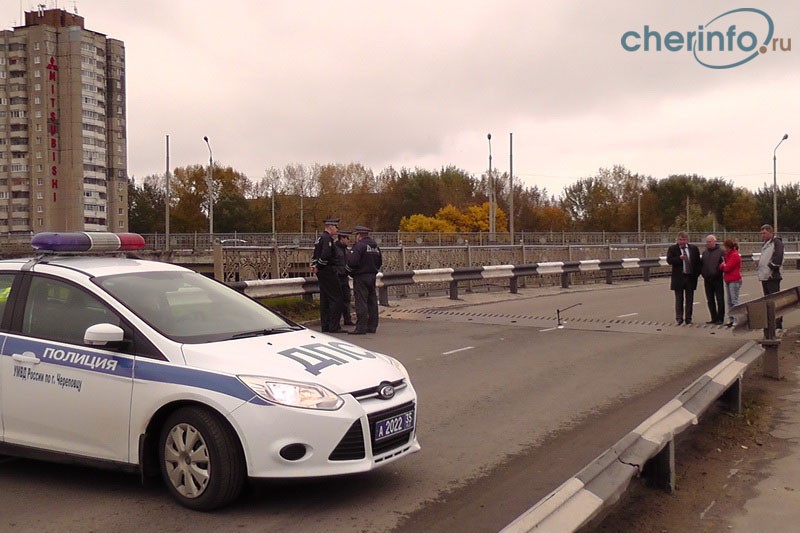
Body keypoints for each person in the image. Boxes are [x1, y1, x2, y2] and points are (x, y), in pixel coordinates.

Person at [346, 225, 382, 335]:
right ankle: (372, 326)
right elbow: (379, 262)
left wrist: (349, 272)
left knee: (361, 302)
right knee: (372, 302)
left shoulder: (359, 246)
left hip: (361, 277)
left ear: (359, 235)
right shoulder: (375, 246)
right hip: (372, 276)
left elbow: (352, 262)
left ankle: (361, 327)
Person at [311, 217, 343, 333]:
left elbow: (315, 255)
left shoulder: (320, 238)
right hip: (328, 270)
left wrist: (315, 266)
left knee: (325, 299)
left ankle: (325, 325)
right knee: (337, 298)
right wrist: (319, 266)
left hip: (322, 272)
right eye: (336, 227)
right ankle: (334, 326)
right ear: (330, 226)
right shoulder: (327, 239)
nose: (337, 229)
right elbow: (325, 255)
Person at [666, 231, 701, 325]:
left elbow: (698, 263)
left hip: (690, 277)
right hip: (679, 277)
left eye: (684, 240)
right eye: (680, 240)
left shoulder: (693, 249)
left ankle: (688, 318)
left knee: (689, 299)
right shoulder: (673, 249)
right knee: (679, 299)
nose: (682, 242)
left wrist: (696, 274)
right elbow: (669, 260)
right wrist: (679, 258)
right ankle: (679, 318)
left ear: (687, 240)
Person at [758, 223, 784, 329]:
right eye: (761, 233)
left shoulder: (776, 242)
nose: (763, 235)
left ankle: (777, 324)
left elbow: (778, 255)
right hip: (764, 277)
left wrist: (772, 266)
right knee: (768, 302)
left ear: (770, 232)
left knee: (774, 301)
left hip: (772, 277)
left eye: (764, 233)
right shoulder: (765, 244)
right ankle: (771, 323)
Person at [700, 234, 725, 325]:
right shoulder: (705, 253)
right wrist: (703, 273)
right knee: (710, 299)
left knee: (719, 299)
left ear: (715, 241)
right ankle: (713, 317)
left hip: (717, 279)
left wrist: (718, 272)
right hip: (707, 279)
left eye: (710, 241)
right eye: (707, 242)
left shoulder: (721, 252)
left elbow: (723, 264)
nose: (708, 243)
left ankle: (720, 318)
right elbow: (702, 264)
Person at [334, 230, 355, 327]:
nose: (348, 240)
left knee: (346, 298)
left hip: (344, 277)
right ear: (341, 238)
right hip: (337, 277)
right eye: (347, 238)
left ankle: (347, 319)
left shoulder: (346, 250)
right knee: (337, 300)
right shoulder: (335, 249)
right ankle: (336, 321)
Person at [720, 239, 742, 328]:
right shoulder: (728, 255)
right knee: (729, 301)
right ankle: (731, 318)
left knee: (734, 300)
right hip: (728, 279)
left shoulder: (734, 255)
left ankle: (737, 319)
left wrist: (723, 266)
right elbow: (724, 265)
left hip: (734, 279)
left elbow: (727, 267)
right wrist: (723, 265)